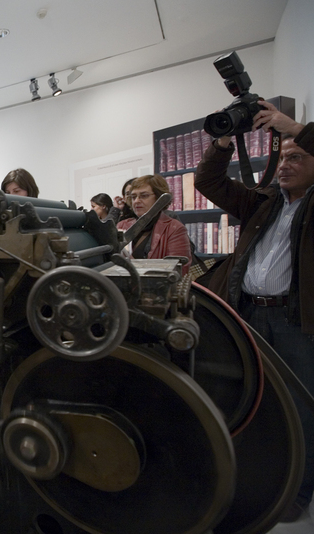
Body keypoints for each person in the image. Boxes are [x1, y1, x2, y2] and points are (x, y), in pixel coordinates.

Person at [195, 100, 314, 522]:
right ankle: (252, 477)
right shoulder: (264, 202)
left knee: (300, 407)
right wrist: (225, 139)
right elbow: (208, 180)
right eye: (283, 157)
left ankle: (298, 490)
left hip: (296, 322)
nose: (285, 165)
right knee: (251, 398)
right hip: (248, 314)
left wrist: (292, 127)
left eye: (297, 157)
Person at [116, 174, 191, 275]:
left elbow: (178, 272)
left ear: (159, 198)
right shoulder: (121, 226)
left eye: (144, 196)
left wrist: (135, 267)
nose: (136, 201)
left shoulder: (174, 228)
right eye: (133, 197)